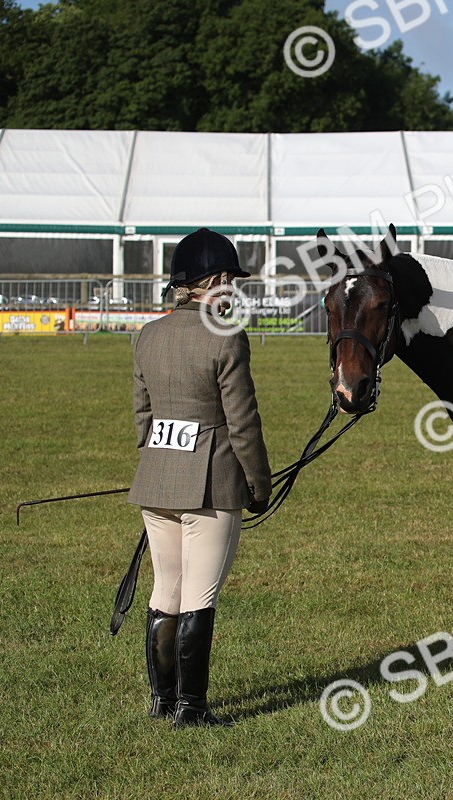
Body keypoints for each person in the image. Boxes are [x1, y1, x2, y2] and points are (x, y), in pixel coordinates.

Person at [128, 227, 271, 728]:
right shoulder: (226, 337)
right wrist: (259, 485)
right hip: (211, 485)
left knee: (165, 588)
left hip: (155, 481)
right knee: (198, 596)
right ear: (214, 281)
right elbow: (243, 424)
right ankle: (192, 709)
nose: (234, 290)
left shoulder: (149, 335)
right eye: (230, 280)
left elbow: (144, 418)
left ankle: (162, 700)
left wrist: (158, 461)